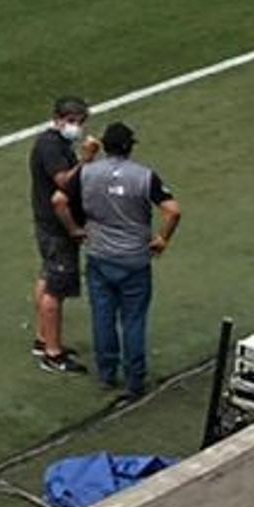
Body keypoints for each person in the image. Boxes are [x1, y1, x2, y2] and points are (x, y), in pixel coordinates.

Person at [61, 121, 179, 401]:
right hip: (134, 260)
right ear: (129, 148)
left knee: (102, 318)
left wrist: (75, 231)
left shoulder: (87, 173)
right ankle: (135, 381)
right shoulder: (144, 176)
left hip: (99, 256)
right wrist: (162, 239)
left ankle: (106, 374)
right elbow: (173, 211)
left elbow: (59, 199)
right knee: (133, 321)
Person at [29, 96, 90, 376]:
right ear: (58, 118)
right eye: (73, 121)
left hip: (49, 225)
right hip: (57, 228)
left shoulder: (54, 143)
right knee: (56, 289)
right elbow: (64, 181)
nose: (76, 127)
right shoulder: (52, 146)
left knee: (46, 278)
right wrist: (87, 161)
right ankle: (53, 354)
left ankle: (43, 339)